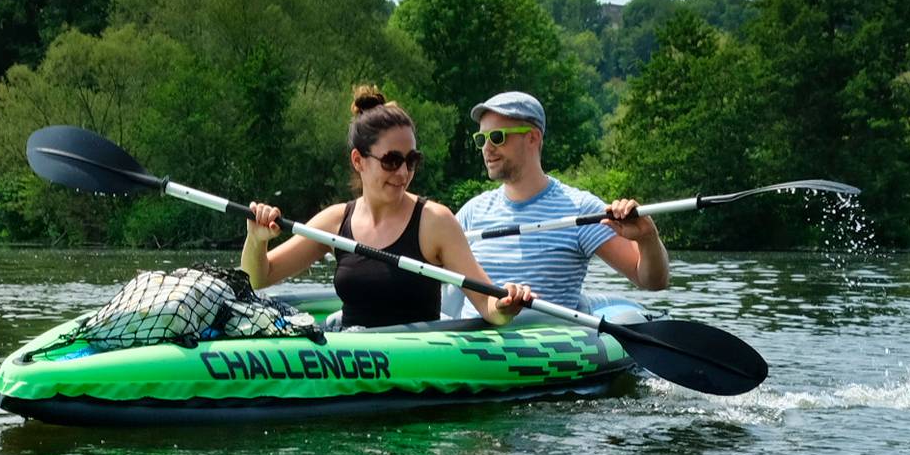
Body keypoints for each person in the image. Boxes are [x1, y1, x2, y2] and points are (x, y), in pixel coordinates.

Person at [242, 86, 538, 327]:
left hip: (414, 371)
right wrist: (256, 240)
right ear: (358, 160)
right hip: (349, 365)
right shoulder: (335, 221)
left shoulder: (435, 221)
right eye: (391, 161)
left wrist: (505, 304)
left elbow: (487, 305)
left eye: (411, 161)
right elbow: (258, 278)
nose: (403, 173)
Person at [445, 90, 667, 318]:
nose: (487, 148)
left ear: (532, 137)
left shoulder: (581, 209)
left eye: (498, 137)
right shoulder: (471, 212)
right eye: (482, 139)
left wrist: (647, 238)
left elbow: (651, 281)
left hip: (548, 346)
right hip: (468, 345)